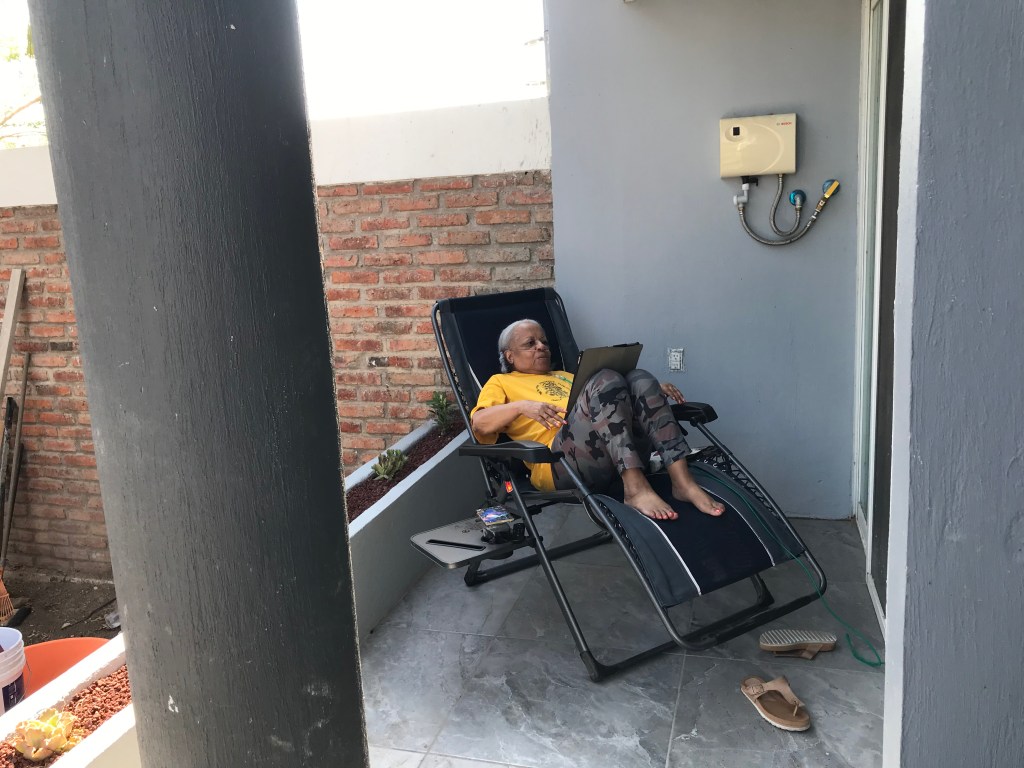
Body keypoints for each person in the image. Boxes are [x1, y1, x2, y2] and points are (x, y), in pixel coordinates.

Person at [470, 319, 726, 521]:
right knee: (606, 378)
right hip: (557, 463)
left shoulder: (565, 376)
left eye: (544, 342)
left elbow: (610, 400)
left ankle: (683, 483)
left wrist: (649, 391)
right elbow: (479, 423)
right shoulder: (501, 382)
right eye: (530, 343)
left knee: (640, 378)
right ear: (510, 356)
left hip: (609, 451)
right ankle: (635, 488)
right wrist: (521, 406)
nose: (541, 346)